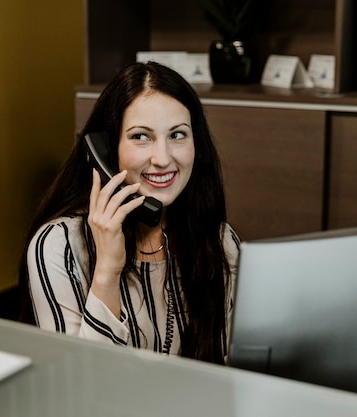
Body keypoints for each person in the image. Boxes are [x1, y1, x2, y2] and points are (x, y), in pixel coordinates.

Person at [18, 61, 240, 364]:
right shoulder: (60, 247)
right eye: (141, 136)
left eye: (177, 135)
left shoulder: (220, 241)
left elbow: (232, 369)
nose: (163, 158)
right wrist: (107, 268)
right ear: (106, 151)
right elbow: (76, 386)